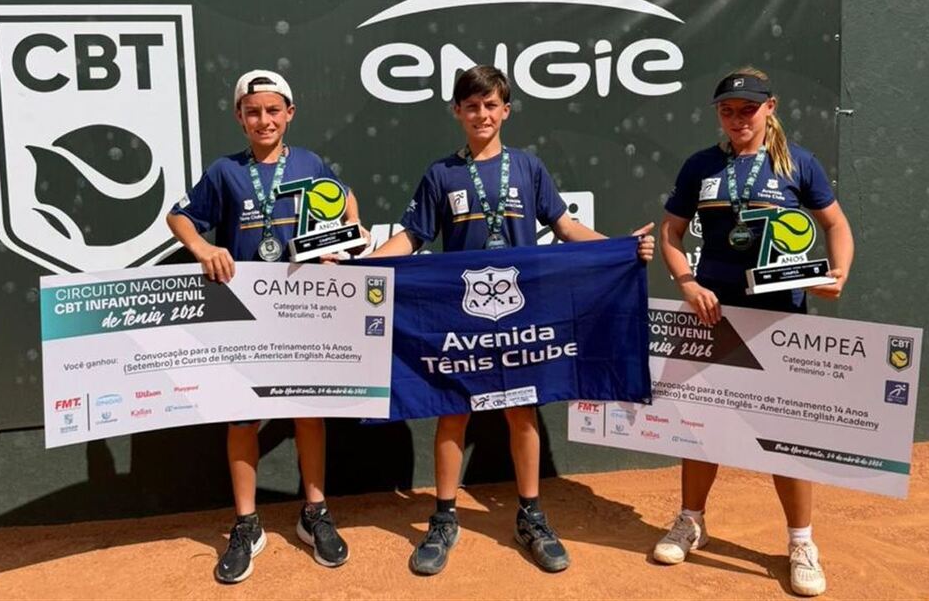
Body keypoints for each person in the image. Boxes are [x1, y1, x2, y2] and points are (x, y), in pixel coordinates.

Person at [370, 65, 655, 576]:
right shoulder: (441, 174)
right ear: (457, 111)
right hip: (462, 317)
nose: (482, 114)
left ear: (506, 111)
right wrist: (367, 264)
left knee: (522, 412)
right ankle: (444, 516)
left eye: (491, 105)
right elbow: (412, 237)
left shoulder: (528, 168)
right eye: (472, 105)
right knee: (451, 410)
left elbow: (565, 226)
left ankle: (531, 516)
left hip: (522, 317)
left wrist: (622, 248)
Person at [655, 67, 854, 596]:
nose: (738, 118)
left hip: (780, 319)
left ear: (770, 107)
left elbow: (834, 223)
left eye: (748, 108)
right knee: (701, 424)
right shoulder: (701, 165)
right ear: (718, 113)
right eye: (728, 110)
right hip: (713, 316)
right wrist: (687, 281)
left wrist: (839, 273)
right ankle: (691, 520)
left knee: (786, 435)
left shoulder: (798, 163)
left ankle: (800, 542)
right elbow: (671, 232)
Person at [167, 70, 364, 583]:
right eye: (253, 112)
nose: (263, 120)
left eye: (273, 110)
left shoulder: (310, 163)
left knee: (306, 411)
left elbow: (344, 202)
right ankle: (247, 523)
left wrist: (337, 245)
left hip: (300, 309)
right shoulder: (224, 171)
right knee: (240, 419)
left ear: (289, 114)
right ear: (239, 117)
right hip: (244, 312)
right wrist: (205, 248)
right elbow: (179, 217)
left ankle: (314, 512)